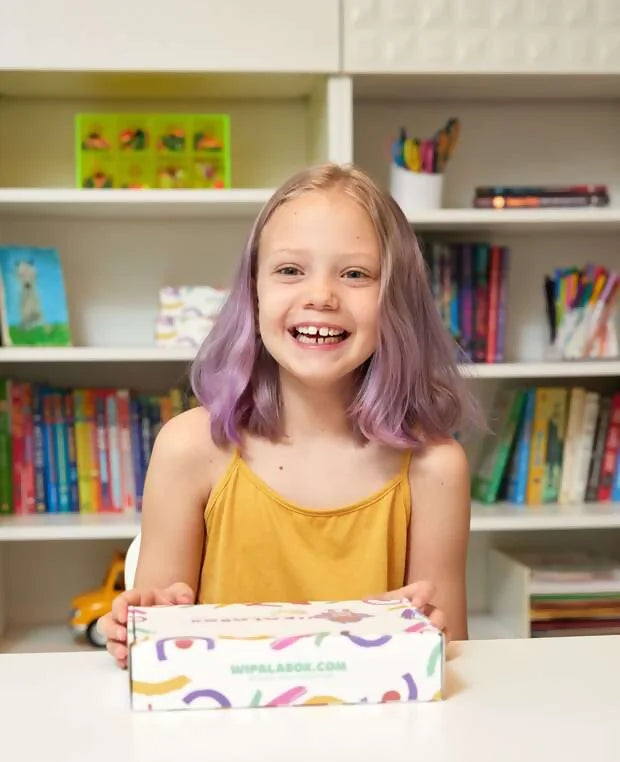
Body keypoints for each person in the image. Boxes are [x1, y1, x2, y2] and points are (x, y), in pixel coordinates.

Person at [100, 163, 479, 669]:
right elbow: (153, 642)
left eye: (355, 274)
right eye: (290, 270)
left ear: (397, 301)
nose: (321, 296)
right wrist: (136, 628)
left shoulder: (436, 467)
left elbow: (449, 654)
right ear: (253, 294)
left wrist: (428, 632)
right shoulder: (190, 449)